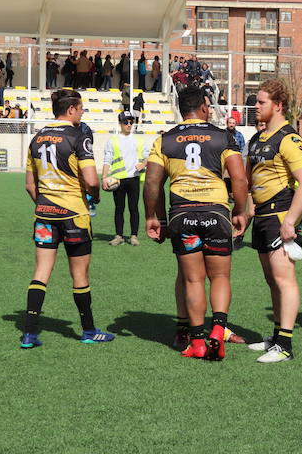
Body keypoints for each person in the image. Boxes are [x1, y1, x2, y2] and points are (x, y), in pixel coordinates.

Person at [143, 86, 248, 359]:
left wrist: (153, 217)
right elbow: (239, 179)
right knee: (221, 276)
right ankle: (219, 328)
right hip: (215, 212)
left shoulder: (165, 139)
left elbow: (153, 182)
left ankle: (197, 341)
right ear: (203, 107)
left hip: (182, 214)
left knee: (192, 280)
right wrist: (240, 210)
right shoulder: (223, 136)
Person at [19, 89, 114, 348]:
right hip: (74, 215)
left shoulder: (36, 138)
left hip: (45, 215)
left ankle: (29, 334)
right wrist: (94, 196)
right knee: (80, 275)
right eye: (81, 108)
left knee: (41, 272)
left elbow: (30, 186)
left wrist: (46, 205)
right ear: (71, 109)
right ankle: (88, 330)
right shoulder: (78, 136)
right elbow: (92, 180)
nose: (82, 112)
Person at [245, 79, 302, 363]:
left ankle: (285, 345)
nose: (256, 106)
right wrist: (246, 214)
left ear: (278, 105)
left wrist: (290, 221)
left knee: (285, 279)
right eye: (257, 101)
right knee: (272, 280)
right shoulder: (256, 138)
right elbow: (251, 183)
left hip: (279, 215)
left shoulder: (289, 138)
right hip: (262, 217)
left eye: (261, 102)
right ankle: (275, 336)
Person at [102, 111, 151, 246]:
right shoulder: (113, 140)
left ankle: (133, 236)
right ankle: (119, 236)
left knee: (133, 208)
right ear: (120, 124)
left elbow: (149, 155)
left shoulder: (139, 140)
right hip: (118, 180)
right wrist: (104, 177)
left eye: (131, 122)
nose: (129, 125)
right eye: (126, 122)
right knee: (119, 208)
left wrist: (143, 164)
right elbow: (107, 160)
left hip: (134, 179)